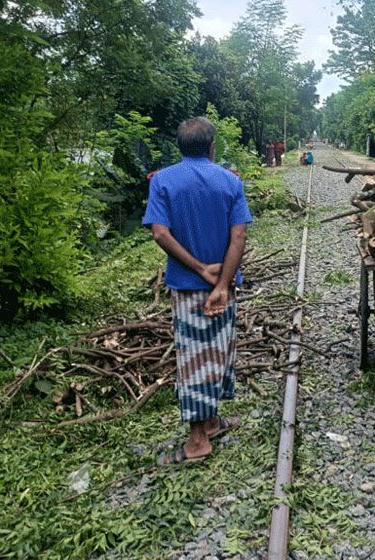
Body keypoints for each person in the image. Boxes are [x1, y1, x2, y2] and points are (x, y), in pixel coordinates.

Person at [143, 116, 252, 466]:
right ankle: (209, 422)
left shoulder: (162, 181)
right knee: (219, 351)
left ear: (180, 147)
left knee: (192, 359)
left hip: (187, 288)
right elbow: (239, 236)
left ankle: (199, 438)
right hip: (224, 286)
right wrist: (221, 283)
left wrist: (198, 269)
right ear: (211, 146)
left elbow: (160, 233)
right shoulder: (230, 182)